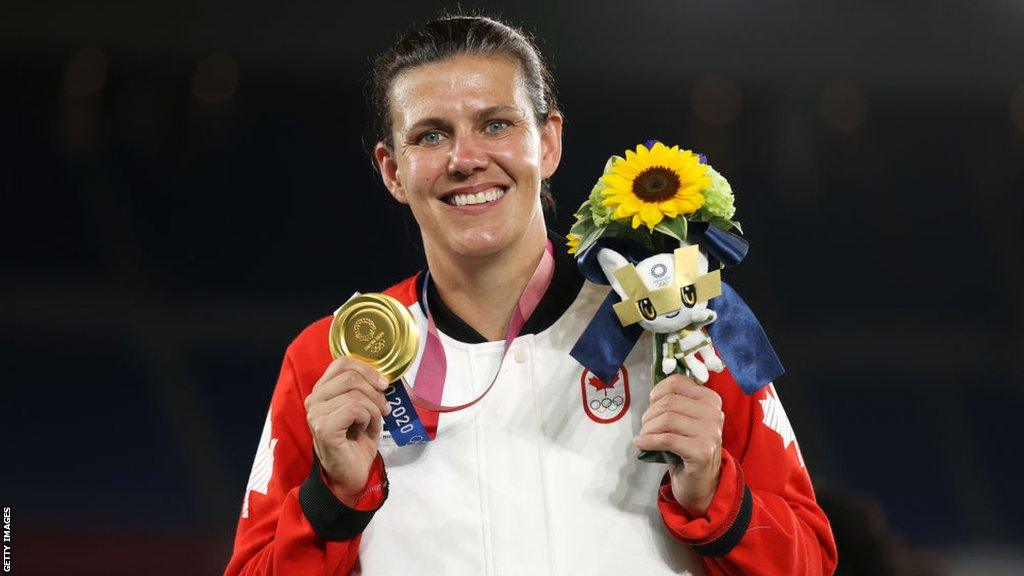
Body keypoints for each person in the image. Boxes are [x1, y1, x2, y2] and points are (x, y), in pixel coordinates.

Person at [224, 14, 837, 576]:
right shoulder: (329, 362)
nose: (465, 159)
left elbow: (813, 564)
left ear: (548, 142)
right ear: (393, 171)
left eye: (496, 124)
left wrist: (715, 496)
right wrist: (330, 500)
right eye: (432, 136)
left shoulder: (686, 323)